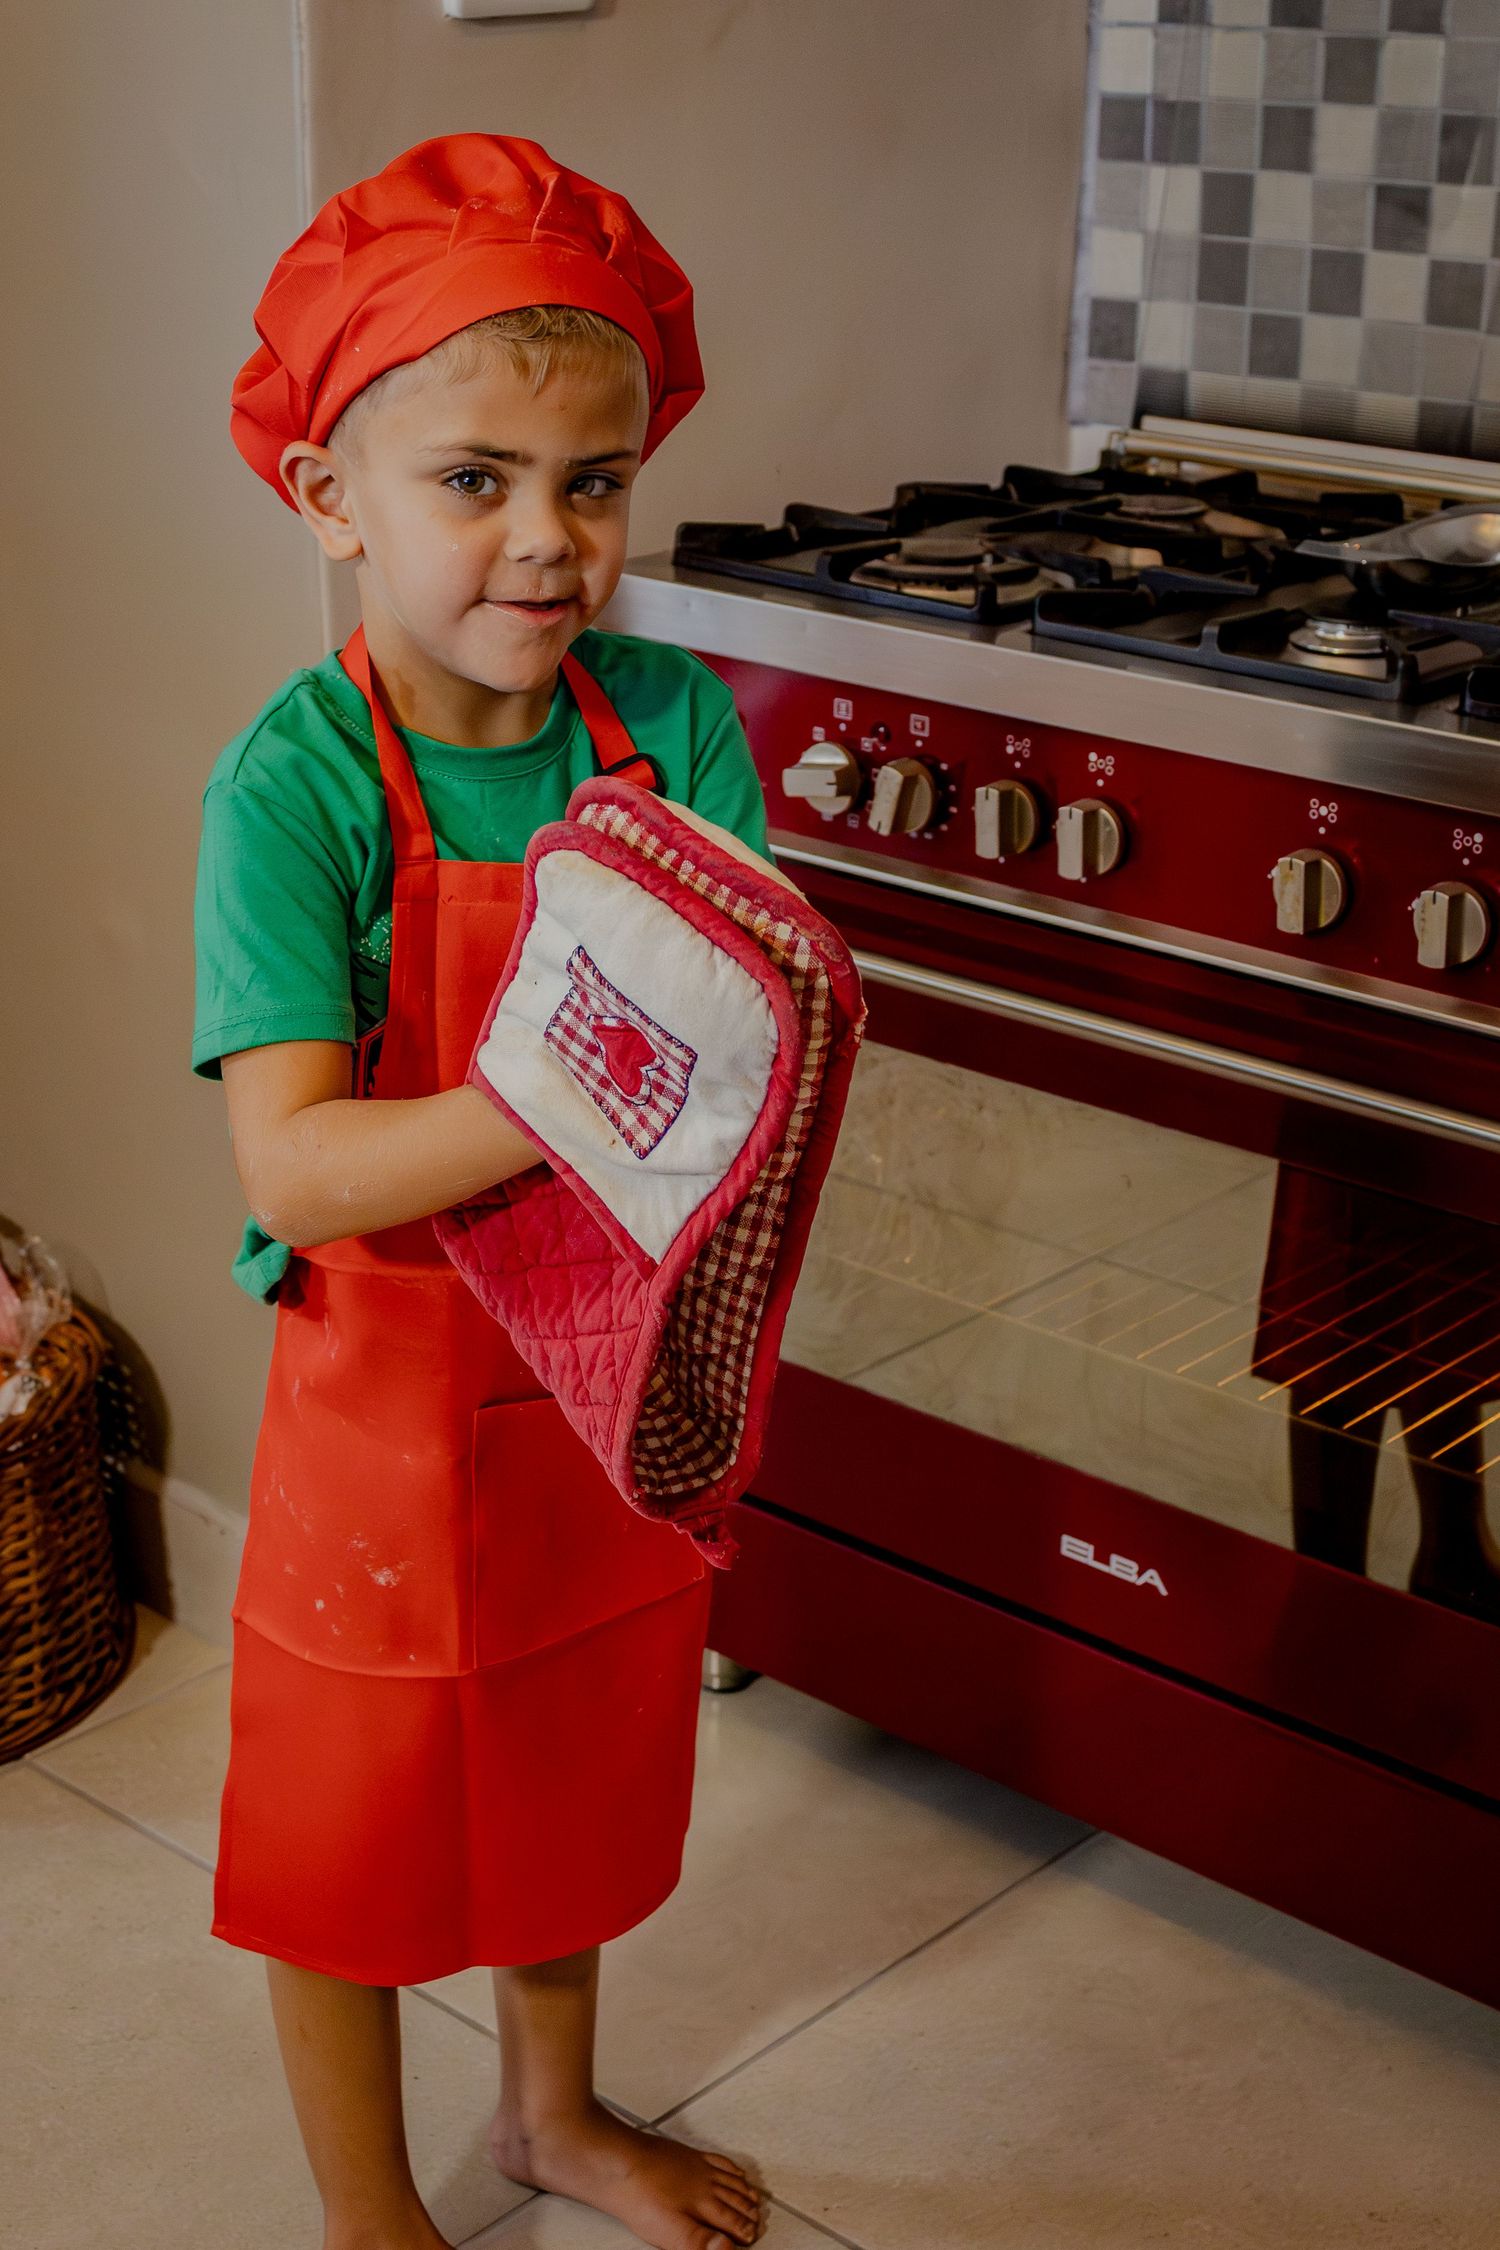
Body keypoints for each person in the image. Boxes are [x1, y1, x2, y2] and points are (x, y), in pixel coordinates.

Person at [192, 134, 768, 2250]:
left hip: (600, 1391)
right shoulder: (299, 788)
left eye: (595, 480)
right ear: (331, 499)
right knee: (348, 1832)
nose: (551, 543)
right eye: (475, 481)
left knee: (565, 1770)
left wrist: (635, 1079)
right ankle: (370, 2217)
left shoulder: (675, 726)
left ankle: (549, 2115)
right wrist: (577, 1084)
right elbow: (303, 1163)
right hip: (382, 1398)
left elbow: (746, 1041)